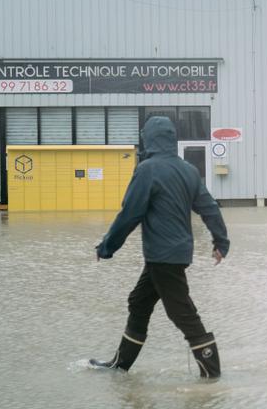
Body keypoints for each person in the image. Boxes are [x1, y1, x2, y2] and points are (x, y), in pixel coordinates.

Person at [91, 115, 229, 380]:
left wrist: (107, 246)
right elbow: (209, 208)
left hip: (162, 256)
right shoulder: (188, 170)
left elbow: (130, 214)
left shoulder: (147, 169)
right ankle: (120, 365)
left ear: (148, 139)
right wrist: (221, 242)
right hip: (173, 255)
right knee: (139, 301)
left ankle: (212, 376)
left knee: (182, 313)